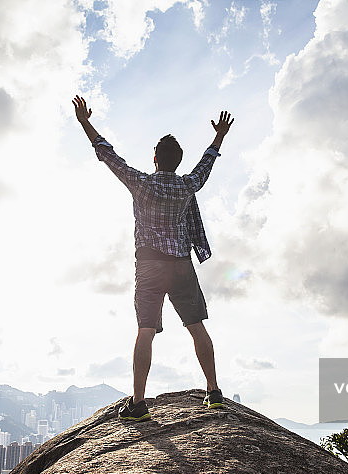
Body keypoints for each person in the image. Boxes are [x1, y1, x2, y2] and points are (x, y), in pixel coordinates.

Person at [72, 94, 234, 422]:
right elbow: (206, 163)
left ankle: (138, 403)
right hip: (181, 264)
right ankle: (213, 392)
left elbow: (108, 155)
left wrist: (85, 123)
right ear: (176, 160)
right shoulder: (188, 185)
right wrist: (219, 136)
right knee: (196, 326)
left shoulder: (142, 184)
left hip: (149, 265)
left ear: (155, 158)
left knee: (145, 330)